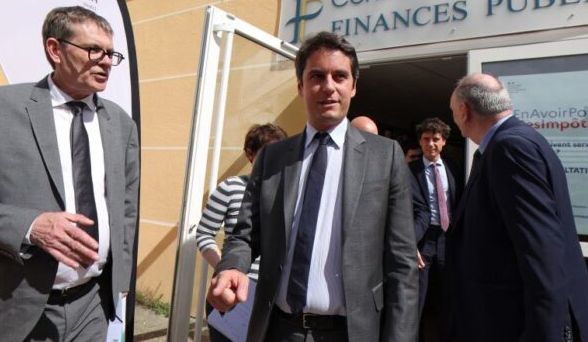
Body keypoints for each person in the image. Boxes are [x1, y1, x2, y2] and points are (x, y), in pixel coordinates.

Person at [0, 6, 140, 342]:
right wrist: (31, 227)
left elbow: (126, 207)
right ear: (55, 49)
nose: (107, 62)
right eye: (94, 50)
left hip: (92, 307)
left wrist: (120, 279)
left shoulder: (121, 124)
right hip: (11, 308)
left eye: (111, 53)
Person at [207, 31, 418, 342]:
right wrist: (232, 266)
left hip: (350, 333)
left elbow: (402, 264)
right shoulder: (272, 158)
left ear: (353, 86)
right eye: (317, 76)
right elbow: (244, 233)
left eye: (340, 76)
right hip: (277, 330)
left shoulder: (384, 157)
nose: (328, 86)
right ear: (300, 86)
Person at [446, 73, 588, 342]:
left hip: (516, 325)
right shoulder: (519, 140)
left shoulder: (509, 148)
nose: (454, 119)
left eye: (452, 112)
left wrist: (546, 334)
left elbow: (541, 250)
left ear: (464, 111)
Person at [196, 123, 287, 342]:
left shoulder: (288, 195)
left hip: (272, 299)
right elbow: (204, 233)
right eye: (267, 154)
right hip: (233, 294)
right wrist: (227, 270)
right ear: (249, 154)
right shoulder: (231, 188)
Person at [409, 118, 460, 342]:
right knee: (418, 297)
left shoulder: (454, 168)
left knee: (449, 296)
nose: (431, 144)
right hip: (423, 240)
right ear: (420, 142)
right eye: (426, 139)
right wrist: (410, 244)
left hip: (448, 239)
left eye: (436, 139)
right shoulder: (409, 170)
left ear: (444, 142)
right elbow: (402, 211)